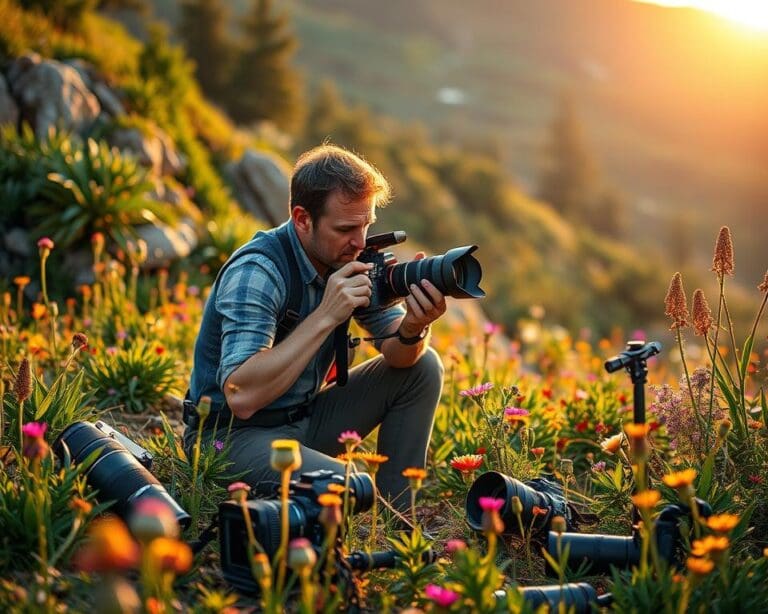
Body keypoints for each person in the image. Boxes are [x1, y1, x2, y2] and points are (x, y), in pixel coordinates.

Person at [184, 143, 446, 510]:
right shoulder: (259, 272)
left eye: (366, 225)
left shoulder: (346, 256)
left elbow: (400, 359)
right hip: (233, 437)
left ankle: (397, 518)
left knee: (425, 366)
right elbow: (241, 396)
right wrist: (326, 315)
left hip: (304, 421)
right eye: (346, 228)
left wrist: (413, 329)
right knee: (350, 487)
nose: (359, 243)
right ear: (302, 219)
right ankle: (366, 505)